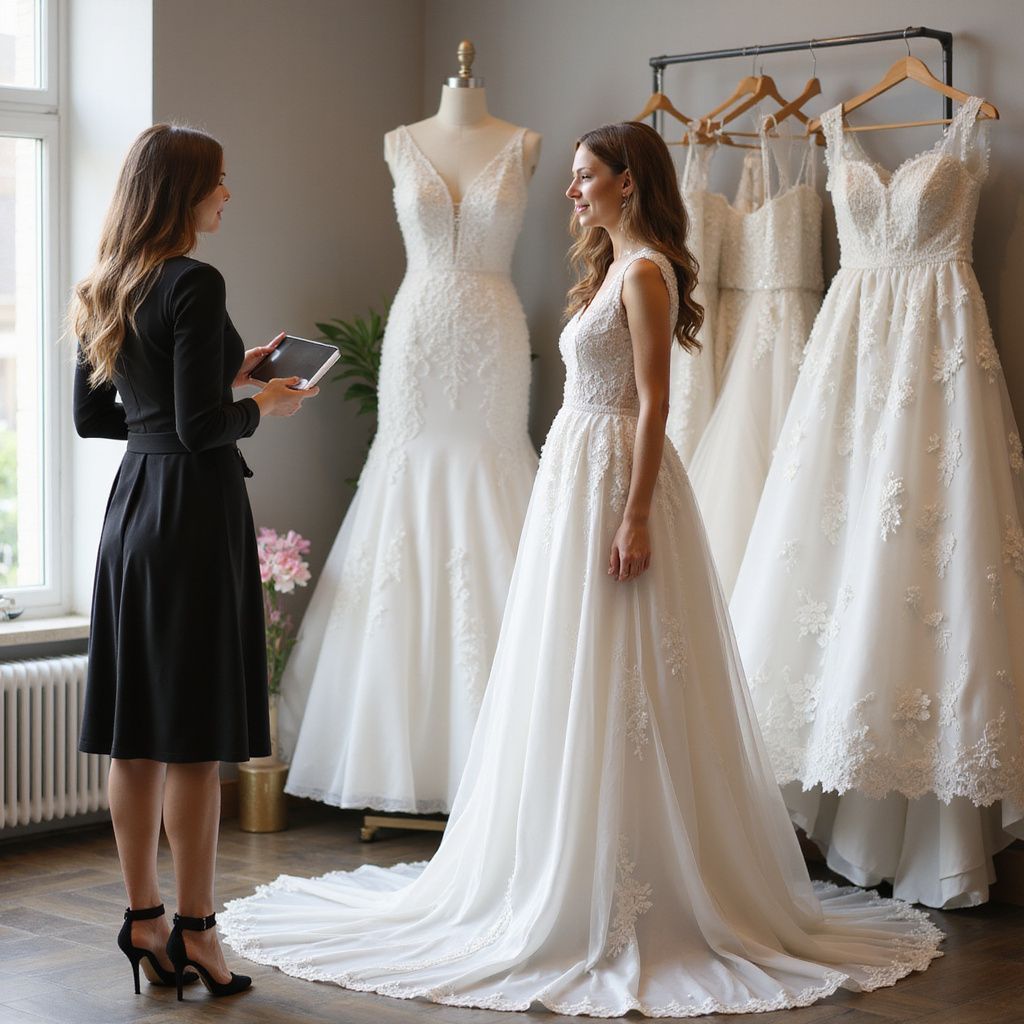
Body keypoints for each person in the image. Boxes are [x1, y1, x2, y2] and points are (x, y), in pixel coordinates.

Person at [217, 122, 941, 1017]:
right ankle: (569, 860)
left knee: (626, 667)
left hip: (615, 488)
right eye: (570, 178)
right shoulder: (613, 270)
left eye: (584, 176)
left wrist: (635, 514)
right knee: (572, 666)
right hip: (576, 479)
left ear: (627, 182)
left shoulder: (646, 273)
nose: (571, 191)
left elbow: (654, 406)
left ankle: (633, 880)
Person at [71, 123, 317, 1001]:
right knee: (194, 742)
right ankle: (200, 934)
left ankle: (144, 921)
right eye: (219, 180)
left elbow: (99, 420)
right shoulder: (195, 280)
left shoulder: (111, 281)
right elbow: (202, 427)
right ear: (183, 191)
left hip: (132, 513)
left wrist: (227, 374)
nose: (227, 193)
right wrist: (264, 402)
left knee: (139, 733)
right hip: (191, 514)